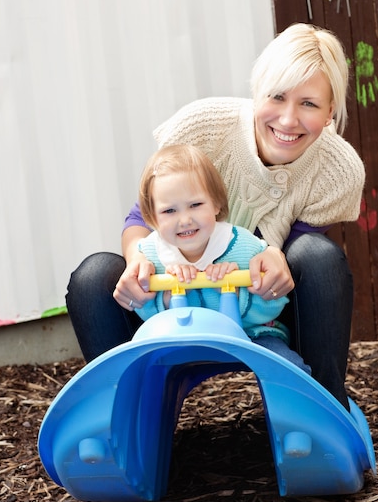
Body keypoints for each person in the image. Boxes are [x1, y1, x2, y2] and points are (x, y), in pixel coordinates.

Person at [66, 23, 365, 410]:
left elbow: (299, 248)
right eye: (277, 96)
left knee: (318, 255)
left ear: (329, 113)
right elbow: (143, 214)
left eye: (309, 103)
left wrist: (275, 255)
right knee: (93, 276)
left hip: (260, 308)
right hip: (169, 306)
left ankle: (324, 404)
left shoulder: (336, 170)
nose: (289, 120)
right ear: (257, 93)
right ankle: (117, 411)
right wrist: (138, 258)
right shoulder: (206, 128)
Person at [136, 142, 311, 373]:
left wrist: (237, 291)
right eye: (169, 211)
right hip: (175, 343)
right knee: (142, 371)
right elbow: (140, 306)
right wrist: (168, 297)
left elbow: (276, 302)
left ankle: (295, 406)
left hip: (251, 336)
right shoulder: (151, 256)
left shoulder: (242, 247)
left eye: (195, 205)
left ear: (216, 203)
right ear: (152, 217)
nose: (185, 219)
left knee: (289, 368)